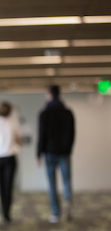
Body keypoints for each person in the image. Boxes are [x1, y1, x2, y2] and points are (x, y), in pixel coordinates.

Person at [37, 85, 75, 223]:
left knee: (52, 184)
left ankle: (56, 212)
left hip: (50, 153)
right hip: (64, 152)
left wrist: (38, 153)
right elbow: (72, 134)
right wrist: (69, 149)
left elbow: (42, 135)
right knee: (67, 182)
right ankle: (68, 203)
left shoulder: (45, 113)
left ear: (49, 95)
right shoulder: (68, 113)